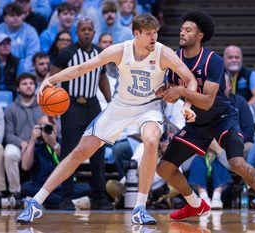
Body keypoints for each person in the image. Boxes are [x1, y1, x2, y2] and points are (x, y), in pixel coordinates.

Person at [16, 14, 197, 224]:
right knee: (79, 152)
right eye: (148, 34)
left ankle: (139, 207)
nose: (153, 38)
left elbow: (190, 79)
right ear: (136, 34)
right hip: (120, 106)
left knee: (150, 140)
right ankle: (37, 202)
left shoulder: (163, 52)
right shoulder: (119, 50)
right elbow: (82, 68)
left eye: (155, 33)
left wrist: (187, 104)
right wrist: (51, 80)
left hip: (149, 107)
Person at [155, 11, 255, 223]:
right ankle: (196, 205)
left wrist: (180, 92)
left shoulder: (212, 60)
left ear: (200, 35)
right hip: (197, 123)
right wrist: (166, 93)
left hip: (222, 117)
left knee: (237, 163)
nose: (182, 32)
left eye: (188, 30)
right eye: (181, 29)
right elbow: (173, 92)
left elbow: (207, 100)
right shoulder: (174, 58)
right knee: (164, 168)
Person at [45, 17, 112, 211]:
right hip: (71, 105)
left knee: (98, 152)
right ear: (77, 31)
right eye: (83, 29)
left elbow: (102, 77)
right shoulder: (66, 53)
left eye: (89, 29)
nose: (86, 32)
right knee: (69, 152)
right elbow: (52, 81)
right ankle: (65, 198)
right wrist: (51, 112)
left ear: (94, 32)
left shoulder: (100, 53)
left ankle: (100, 197)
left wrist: (110, 103)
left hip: (93, 105)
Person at [21, 116, 90, 209]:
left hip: (64, 186)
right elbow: (25, 166)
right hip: (42, 187)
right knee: (26, 187)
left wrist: (54, 144)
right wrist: (32, 140)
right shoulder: (35, 145)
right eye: (44, 127)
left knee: (87, 187)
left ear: (56, 128)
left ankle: (41, 203)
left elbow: (72, 161)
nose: (47, 130)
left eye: (50, 126)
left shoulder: (64, 143)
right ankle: (70, 203)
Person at [4, 73, 44, 204]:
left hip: (40, 143)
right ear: (17, 88)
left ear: (35, 86)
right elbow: (8, 134)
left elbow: (54, 128)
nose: (28, 86)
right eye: (24, 84)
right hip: (18, 144)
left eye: (31, 84)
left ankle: (43, 193)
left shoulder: (43, 106)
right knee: (9, 153)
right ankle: (15, 192)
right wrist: (21, 143)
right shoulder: (10, 109)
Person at [0, 3, 40, 73]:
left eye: (18, 15)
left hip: (24, 70)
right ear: (5, 18)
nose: (15, 18)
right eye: (12, 15)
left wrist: (23, 71)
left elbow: (32, 55)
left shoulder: (31, 32)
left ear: (23, 16)